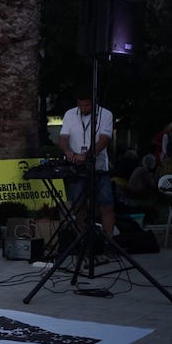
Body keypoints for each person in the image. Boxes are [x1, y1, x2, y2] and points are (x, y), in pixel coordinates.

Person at [59, 90, 115, 236]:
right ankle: (82, 239)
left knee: (106, 203)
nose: (84, 109)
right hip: (76, 167)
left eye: (87, 105)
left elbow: (104, 138)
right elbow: (63, 137)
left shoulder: (105, 114)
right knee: (78, 204)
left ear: (94, 102)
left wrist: (88, 155)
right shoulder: (70, 114)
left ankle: (108, 242)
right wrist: (68, 152)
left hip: (99, 167)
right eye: (81, 105)